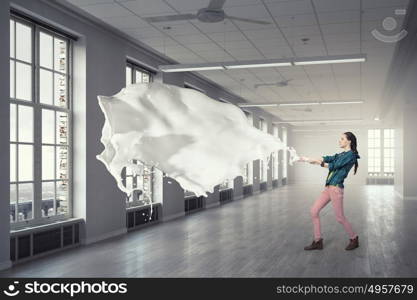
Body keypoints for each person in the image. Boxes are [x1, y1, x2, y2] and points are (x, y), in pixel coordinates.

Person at [297, 132, 361, 251]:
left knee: (340, 217)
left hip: (336, 188)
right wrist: (307, 159)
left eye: (342, 139)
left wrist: (318, 163)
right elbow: (328, 158)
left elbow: (334, 165)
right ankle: (318, 241)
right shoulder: (342, 154)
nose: (339, 141)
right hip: (328, 188)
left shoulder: (351, 155)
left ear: (349, 141)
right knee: (314, 211)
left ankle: (354, 238)